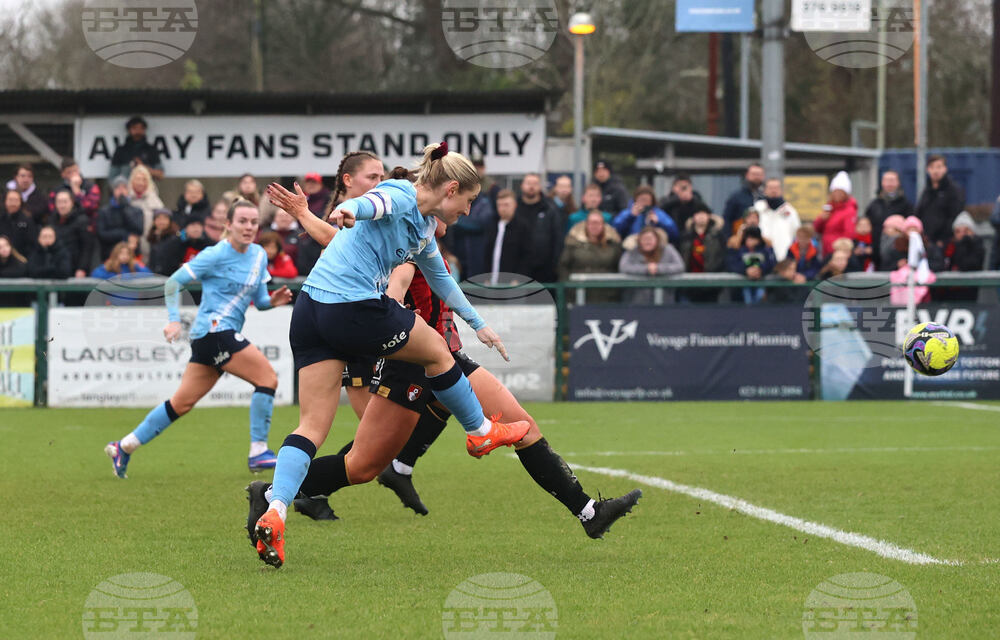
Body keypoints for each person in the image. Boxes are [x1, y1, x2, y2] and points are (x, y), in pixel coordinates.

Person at [256, 222, 641, 536]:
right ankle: (274, 495)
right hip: (408, 363)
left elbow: (445, 288)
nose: (460, 214)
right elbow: (395, 287)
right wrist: (391, 314)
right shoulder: (408, 246)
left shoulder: (425, 244)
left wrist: (478, 325)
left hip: (443, 358)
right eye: (457, 204)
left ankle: (589, 512)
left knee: (523, 427)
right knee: (362, 466)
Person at [252, 142, 531, 568]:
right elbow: (372, 203)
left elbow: (442, 280)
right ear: (451, 189)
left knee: (311, 426)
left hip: (310, 311)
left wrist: (479, 324)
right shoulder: (401, 193)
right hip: (353, 307)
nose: (469, 212)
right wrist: (350, 212)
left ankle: (276, 510)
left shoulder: (422, 228)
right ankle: (479, 431)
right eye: (469, 201)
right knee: (438, 351)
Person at [103, 198, 292, 479]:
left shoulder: (259, 256)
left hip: (214, 337)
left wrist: (272, 302)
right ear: (228, 225)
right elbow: (172, 282)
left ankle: (124, 446)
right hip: (214, 332)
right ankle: (258, 451)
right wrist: (173, 320)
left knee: (181, 403)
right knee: (267, 379)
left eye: (253, 222)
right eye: (242, 221)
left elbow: (260, 300)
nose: (249, 227)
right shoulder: (214, 254)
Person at [559, 211, 623, 303]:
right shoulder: (573, 244)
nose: (594, 226)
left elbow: (619, 267)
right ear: (586, 225)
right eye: (591, 223)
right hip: (579, 294)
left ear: (603, 225)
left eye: (598, 223)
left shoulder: (613, 245)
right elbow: (563, 266)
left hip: (607, 296)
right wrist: (569, 287)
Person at [514, 173, 564, 282]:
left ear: (540, 186)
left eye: (535, 183)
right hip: (517, 269)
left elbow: (558, 238)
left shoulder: (550, 209)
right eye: (528, 183)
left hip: (545, 270)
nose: (531, 187)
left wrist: (554, 265)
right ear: (522, 185)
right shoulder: (514, 208)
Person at [619, 226, 684, 304]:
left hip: (664, 301)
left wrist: (658, 269)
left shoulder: (667, 249)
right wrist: (646, 269)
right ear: (639, 240)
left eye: (650, 239)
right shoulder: (632, 250)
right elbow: (623, 267)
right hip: (637, 301)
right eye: (644, 239)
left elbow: (679, 266)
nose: (647, 241)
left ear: (657, 239)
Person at [863, 170, 913, 270]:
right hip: (875, 252)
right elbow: (865, 226)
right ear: (882, 182)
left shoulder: (906, 205)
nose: (889, 183)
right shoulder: (874, 204)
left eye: (892, 180)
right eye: (886, 180)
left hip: (896, 255)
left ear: (898, 182)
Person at [485, 188, 532, 285]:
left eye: (506, 205)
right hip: (492, 283)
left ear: (514, 205)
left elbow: (527, 256)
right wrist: (486, 277)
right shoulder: (492, 225)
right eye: (499, 205)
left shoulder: (523, 227)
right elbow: (487, 254)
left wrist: (519, 278)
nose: (502, 208)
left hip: (513, 284)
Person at [678, 209, 727, 303]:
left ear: (709, 216)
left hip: (711, 286)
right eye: (698, 213)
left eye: (704, 213)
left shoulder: (717, 236)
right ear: (693, 217)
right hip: (688, 285)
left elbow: (722, 258)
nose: (701, 216)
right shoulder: (685, 236)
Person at [916, 155, 965, 246]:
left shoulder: (953, 191)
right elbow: (920, 213)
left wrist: (943, 239)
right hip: (926, 241)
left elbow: (955, 216)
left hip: (944, 243)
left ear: (945, 169)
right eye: (932, 167)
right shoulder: (926, 191)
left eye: (939, 167)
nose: (935, 171)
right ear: (927, 170)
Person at [96, 176, 144, 260]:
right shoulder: (104, 211)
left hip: (131, 256)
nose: (121, 191)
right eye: (118, 188)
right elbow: (102, 234)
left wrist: (125, 208)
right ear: (113, 191)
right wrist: (124, 234)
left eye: (124, 188)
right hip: (110, 255)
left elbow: (139, 230)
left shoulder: (137, 211)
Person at [725, 225, 776, 304]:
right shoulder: (738, 250)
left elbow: (772, 263)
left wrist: (760, 270)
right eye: (747, 238)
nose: (749, 241)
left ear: (758, 239)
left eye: (752, 238)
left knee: (759, 296)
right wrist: (746, 270)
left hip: (760, 282)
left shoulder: (766, 250)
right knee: (747, 297)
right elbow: (731, 264)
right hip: (743, 284)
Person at [51, 189, 95, 278]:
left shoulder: (82, 220)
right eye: (59, 202)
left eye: (65, 202)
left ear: (72, 202)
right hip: (56, 269)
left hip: (75, 269)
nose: (62, 205)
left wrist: (82, 268)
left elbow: (87, 247)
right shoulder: (52, 220)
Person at [613, 185, 679, 244]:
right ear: (635, 200)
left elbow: (674, 234)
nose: (644, 203)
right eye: (641, 200)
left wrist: (659, 223)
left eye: (647, 200)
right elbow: (615, 231)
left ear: (652, 201)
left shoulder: (658, 214)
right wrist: (630, 216)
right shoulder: (627, 213)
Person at [47, 158, 102, 229]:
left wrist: (77, 192)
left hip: (86, 226)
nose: (74, 174)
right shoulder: (57, 191)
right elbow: (52, 210)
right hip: (64, 226)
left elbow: (91, 207)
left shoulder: (91, 186)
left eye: (75, 170)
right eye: (69, 172)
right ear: (63, 174)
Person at [813, 171, 857, 257]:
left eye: (840, 192)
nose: (837, 194)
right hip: (826, 251)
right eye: (835, 191)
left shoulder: (849, 210)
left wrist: (841, 251)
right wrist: (821, 219)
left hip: (838, 254)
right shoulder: (829, 208)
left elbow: (848, 234)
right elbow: (817, 228)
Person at [754, 178, 800, 261]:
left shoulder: (790, 211)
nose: (773, 191)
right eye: (770, 188)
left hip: (784, 257)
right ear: (765, 190)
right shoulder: (757, 209)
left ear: (781, 190)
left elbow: (796, 234)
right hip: (761, 257)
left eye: (776, 188)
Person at [109, 116, 164, 181]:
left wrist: (143, 167)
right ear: (129, 130)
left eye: (141, 128)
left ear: (144, 130)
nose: (138, 131)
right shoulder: (121, 150)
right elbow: (112, 177)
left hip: (146, 189)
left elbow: (160, 175)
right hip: (126, 189)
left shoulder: (151, 149)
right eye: (134, 128)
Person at [127, 165, 165, 256]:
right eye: (138, 179)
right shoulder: (126, 200)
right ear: (132, 181)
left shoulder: (155, 201)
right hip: (130, 243)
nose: (141, 183)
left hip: (149, 242)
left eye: (144, 180)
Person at [722, 163, 764, 235]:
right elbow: (727, 219)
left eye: (759, 174)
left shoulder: (766, 198)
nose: (756, 177)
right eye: (754, 174)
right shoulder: (736, 197)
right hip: (740, 240)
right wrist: (728, 239)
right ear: (747, 175)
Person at [1, 189, 37, 256]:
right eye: (10, 200)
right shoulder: (1, 219)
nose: (13, 203)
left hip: (22, 259)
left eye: (16, 200)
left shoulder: (27, 220)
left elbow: (32, 244)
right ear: (5, 201)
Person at [146, 210, 180, 275]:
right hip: (154, 275)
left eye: (165, 218)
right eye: (158, 218)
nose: (161, 222)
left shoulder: (175, 238)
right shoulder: (152, 237)